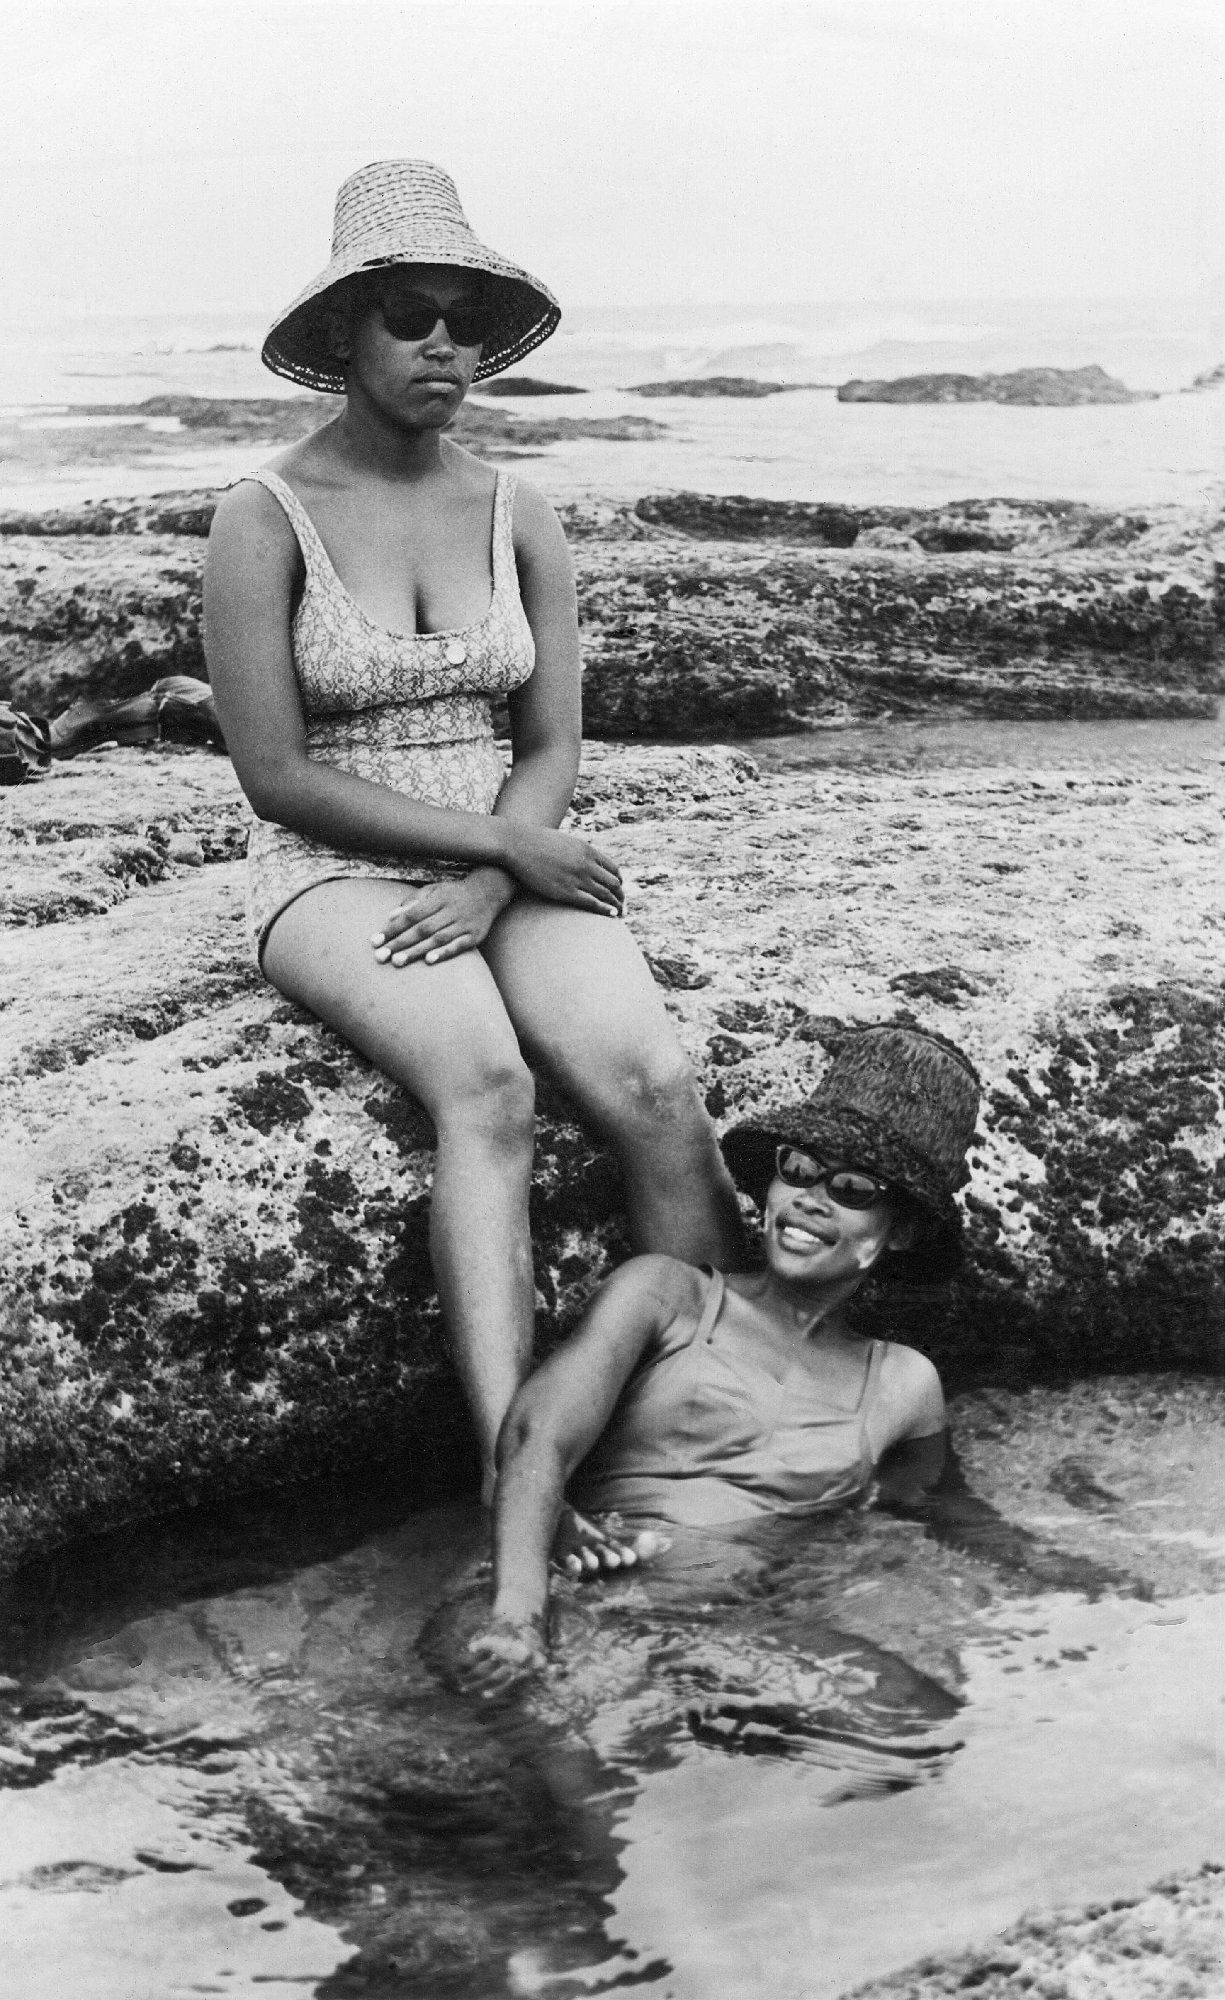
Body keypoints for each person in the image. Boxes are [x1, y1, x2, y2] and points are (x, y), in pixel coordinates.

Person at [203, 159, 742, 1513]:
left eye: (464, 318)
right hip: (331, 862)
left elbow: (551, 744)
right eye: (408, 313)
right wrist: (490, 858)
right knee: (487, 1090)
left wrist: (500, 872)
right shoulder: (260, 519)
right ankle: (522, 1471)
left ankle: (699, 1425)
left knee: (657, 1089)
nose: (444, 343)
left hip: (504, 850)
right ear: (343, 333)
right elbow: (273, 773)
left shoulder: (521, 512)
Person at [459, 1025, 985, 1695]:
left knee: (917, 1716)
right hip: (572, 1597)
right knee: (571, 1773)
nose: (808, 1198)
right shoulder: (667, 1295)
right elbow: (537, 1438)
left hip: (726, 1629)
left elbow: (942, 1515)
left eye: (851, 1188)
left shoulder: (903, 1383)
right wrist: (518, 1616)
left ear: (900, 1230)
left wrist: (1082, 1571)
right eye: (798, 1170)